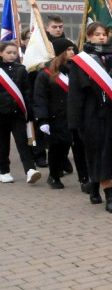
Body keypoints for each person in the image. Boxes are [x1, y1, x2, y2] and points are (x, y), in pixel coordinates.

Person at [67, 22, 112, 213]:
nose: (101, 37)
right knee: (100, 153)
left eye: (104, 34)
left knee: (109, 153)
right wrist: (75, 122)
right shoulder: (81, 62)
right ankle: (110, 196)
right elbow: (75, 93)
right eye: (96, 34)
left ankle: (94, 186)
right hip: (92, 116)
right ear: (88, 37)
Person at [34, 38, 87, 189]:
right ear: (60, 53)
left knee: (80, 149)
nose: (72, 52)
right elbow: (40, 98)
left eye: (73, 49)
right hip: (56, 118)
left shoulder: (76, 70)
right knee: (58, 149)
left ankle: (84, 179)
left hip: (76, 116)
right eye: (69, 49)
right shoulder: (45, 74)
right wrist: (42, 120)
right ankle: (54, 176)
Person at [0, 40, 41, 185]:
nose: (12, 56)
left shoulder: (21, 69)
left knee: (23, 142)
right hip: (1, 113)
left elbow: (27, 92)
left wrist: (29, 111)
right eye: (8, 53)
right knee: (3, 144)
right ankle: (4, 171)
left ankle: (30, 170)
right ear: (1, 53)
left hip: (18, 113)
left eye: (14, 53)